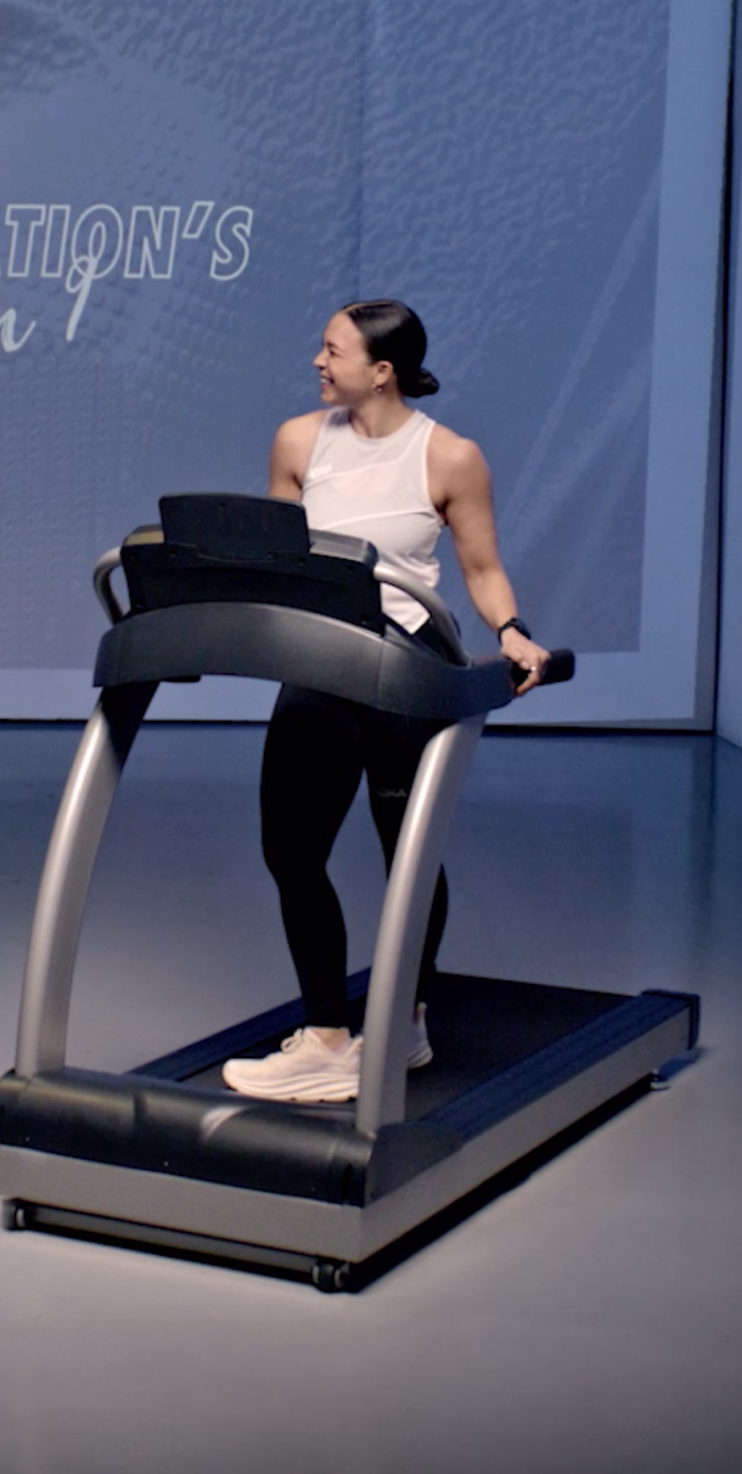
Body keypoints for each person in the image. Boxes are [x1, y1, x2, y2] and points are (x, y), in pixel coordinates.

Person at [220, 300, 552, 1103]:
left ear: (382, 371)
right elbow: (280, 553)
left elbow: (480, 568)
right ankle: (327, 1036)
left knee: (408, 857)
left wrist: (511, 629)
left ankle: (404, 1023)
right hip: (323, 664)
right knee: (291, 852)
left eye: (331, 351)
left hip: (409, 670)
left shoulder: (450, 457)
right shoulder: (299, 441)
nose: (317, 362)